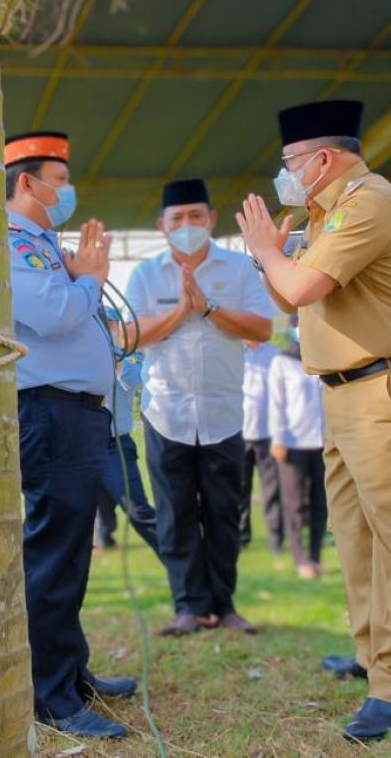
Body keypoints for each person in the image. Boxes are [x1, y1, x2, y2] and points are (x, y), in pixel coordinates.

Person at [237, 99, 391, 741]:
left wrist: (264, 251)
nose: (285, 175)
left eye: (290, 163)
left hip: (390, 387)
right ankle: (371, 655)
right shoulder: (326, 212)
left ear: (322, 158)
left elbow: (300, 288)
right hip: (344, 390)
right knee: (355, 536)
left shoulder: (368, 202)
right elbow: (289, 296)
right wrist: (269, 256)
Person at [5, 130, 133, 739]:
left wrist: (79, 275)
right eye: (58, 179)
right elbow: (56, 314)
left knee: (71, 550)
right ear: (26, 183)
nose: (67, 191)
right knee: (54, 553)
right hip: (50, 413)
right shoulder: (13, 242)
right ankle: (51, 696)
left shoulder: (45, 244)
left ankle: (71, 671)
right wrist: (88, 276)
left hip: (76, 412)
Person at [126, 178, 273, 638]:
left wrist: (208, 308)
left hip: (224, 412)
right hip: (165, 413)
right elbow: (129, 335)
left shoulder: (239, 269)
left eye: (196, 216)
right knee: (175, 513)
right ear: (162, 226)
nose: (187, 225)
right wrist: (180, 313)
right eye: (177, 219)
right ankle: (189, 606)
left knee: (224, 511)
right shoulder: (146, 275)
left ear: (211, 219)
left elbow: (263, 326)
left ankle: (224, 604)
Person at [267, 319, 327, 579]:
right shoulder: (282, 362)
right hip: (292, 442)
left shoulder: (327, 359)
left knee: (320, 503)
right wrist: (278, 439)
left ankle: (316, 556)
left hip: (323, 441)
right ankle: (300, 558)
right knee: (294, 503)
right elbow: (276, 404)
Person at [98, 349, 163, 559]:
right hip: (82, 443)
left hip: (114, 445)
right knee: (86, 507)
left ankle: (179, 557)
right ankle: (103, 539)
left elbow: (130, 380)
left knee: (137, 511)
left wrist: (114, 354)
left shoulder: (131, 355)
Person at [241, 339, 283, 553]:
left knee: (273, 488)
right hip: (239, 432)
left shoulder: (276, 355)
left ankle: (276, 538)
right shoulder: (233, 353)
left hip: (269, 434)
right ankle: (241, 538)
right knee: (239, 488)